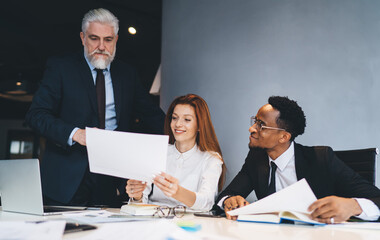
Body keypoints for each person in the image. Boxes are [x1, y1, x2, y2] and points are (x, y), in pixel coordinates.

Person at [25, 8, 165, 207]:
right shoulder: (61, 68)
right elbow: (36, 116)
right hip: (65, 179)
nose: (101, 46)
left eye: (108, 40)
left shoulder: (127, 74)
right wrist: (75, 134)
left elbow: (151, 115)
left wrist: (189, 137)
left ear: (116, 39)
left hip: (110, 177)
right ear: (83, 38)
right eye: (94, 38)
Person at [216, 96, 380, 223]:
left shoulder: (321, 159)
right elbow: (227, 195)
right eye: (255, 121)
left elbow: (377, 198)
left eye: (261, 125)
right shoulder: (256, 158)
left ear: (283, 137)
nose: (252, 129)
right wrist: (229, 200)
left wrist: (353, 206)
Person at [126, 94, 225, 211]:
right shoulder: (157, 151)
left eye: (187, 119)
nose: (178, 124)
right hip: (154, 219)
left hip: (191, 223)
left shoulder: (211, 159)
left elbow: (207, 203)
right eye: (174, 118)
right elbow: (140, 203)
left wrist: (178, 192)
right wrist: (137, 196)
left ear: (200, 125)